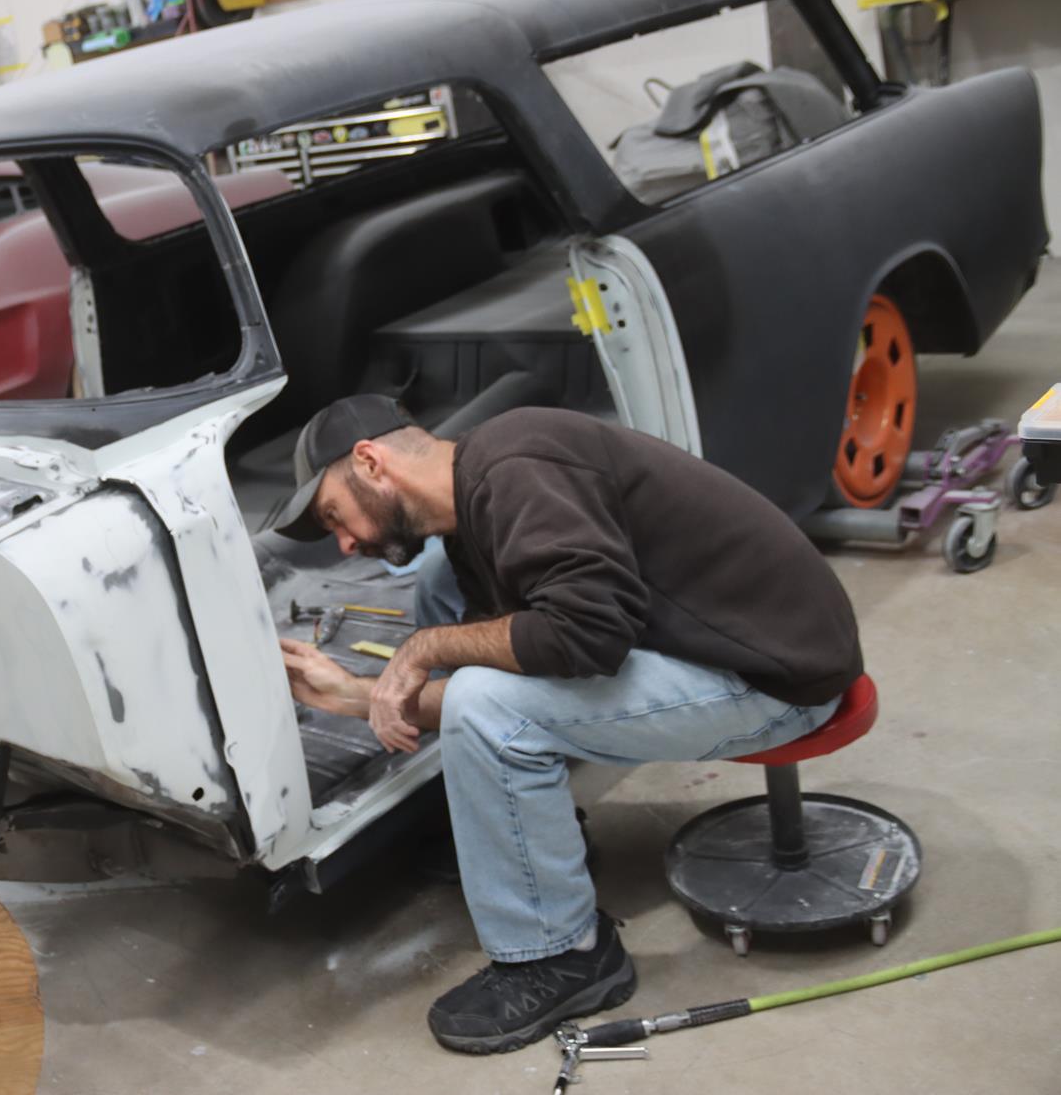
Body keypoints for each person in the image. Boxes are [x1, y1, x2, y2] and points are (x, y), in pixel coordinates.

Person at [272, 394, 861, 1055]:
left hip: (773, 676)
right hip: (716, 643)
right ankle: (528, 837)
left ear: (371, 463)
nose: (345, 544)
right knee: (445, 603)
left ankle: (563, 954)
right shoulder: (475, 504)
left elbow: (584, 636)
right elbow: (509, 666)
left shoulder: (519, 468)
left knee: (484, 699)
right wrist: (358, 695)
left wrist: (421, 649)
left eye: (335, 516)